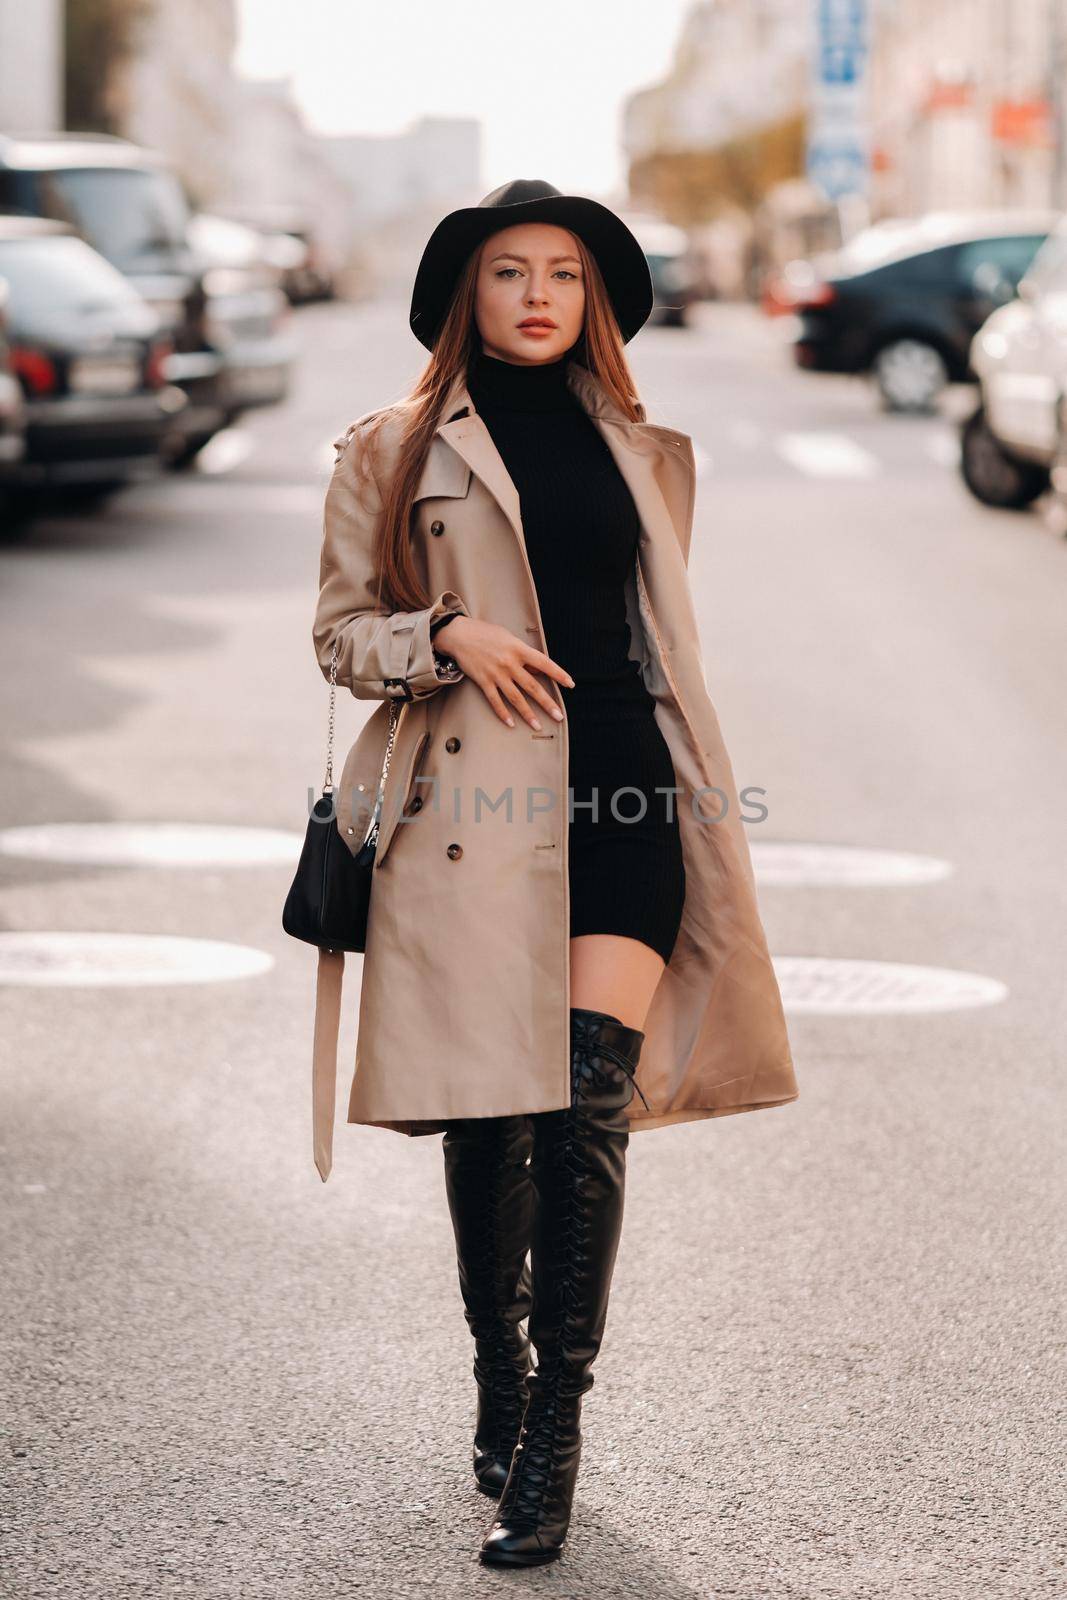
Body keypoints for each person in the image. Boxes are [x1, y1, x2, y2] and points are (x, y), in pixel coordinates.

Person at [311, 179, 799, 1568]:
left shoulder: (641, 446)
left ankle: (556, 1434)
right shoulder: (393, 449)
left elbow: (645, 635)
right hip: (471, 813)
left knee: (587, 1109)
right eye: (510, 271)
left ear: (596, 302)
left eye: (567, 276)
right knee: (494, 1117)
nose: (539, 295)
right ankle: (498, 1370)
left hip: (629, 794)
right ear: (464, 293)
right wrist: (446, 634)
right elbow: (341, 632)